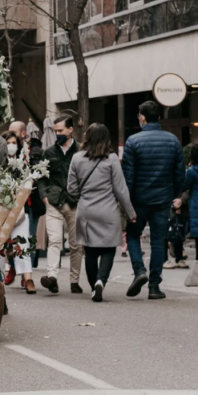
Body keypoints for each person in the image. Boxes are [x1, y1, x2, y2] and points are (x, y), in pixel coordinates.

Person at [121, 100, 184, 300]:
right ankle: (155, 286)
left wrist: (127, 204)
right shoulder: (173, 140)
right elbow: (179, 173)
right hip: (162, 200)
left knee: (132, 235)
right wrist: (173, 194)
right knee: (159, 241)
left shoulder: (133, 141)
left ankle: (139, 270)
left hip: (139, 199)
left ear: (142, 117)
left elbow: (128, 177)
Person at [67, 123, 137, 303]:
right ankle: (101, 281)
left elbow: (71, 189)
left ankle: (93, 286)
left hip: (86, 211)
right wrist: (130, 212)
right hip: (108, 211)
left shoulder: (76, 158)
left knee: (90, 251)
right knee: (108, 250)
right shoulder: (112, 159)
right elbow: (121, 190)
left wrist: (83, 196)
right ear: (107, 139)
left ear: (87, 137)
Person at [36, 115, 83, 294]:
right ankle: (52, 277)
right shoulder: (48, 152)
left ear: (70, 130)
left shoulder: (80, 151)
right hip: (54, 201)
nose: (57, 134)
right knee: (54, 240)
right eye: (55, 131)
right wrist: (45, 197)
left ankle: (74, 280)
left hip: (74, 202)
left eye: (61, 131)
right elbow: (41, 177)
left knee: (76, 244)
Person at [1, 132, 36, 293]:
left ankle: (28, 279)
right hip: (1, 211)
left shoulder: (23, 164)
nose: (11, 145)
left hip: (20, 210)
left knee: (23, 244)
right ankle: (9, 271)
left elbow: (28, 183)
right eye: (8, 142)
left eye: (14, 142)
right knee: (4, 245)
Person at [10, 120, 45, 269]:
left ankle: (27, 273)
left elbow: (39, 175)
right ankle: (13, 267)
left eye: (15, 133)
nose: (12, 137)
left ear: (23, 134)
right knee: (12, 238)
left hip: (31, 203)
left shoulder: (35, 151)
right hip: (14, 203)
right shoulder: (11, 150)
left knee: (30, 237)